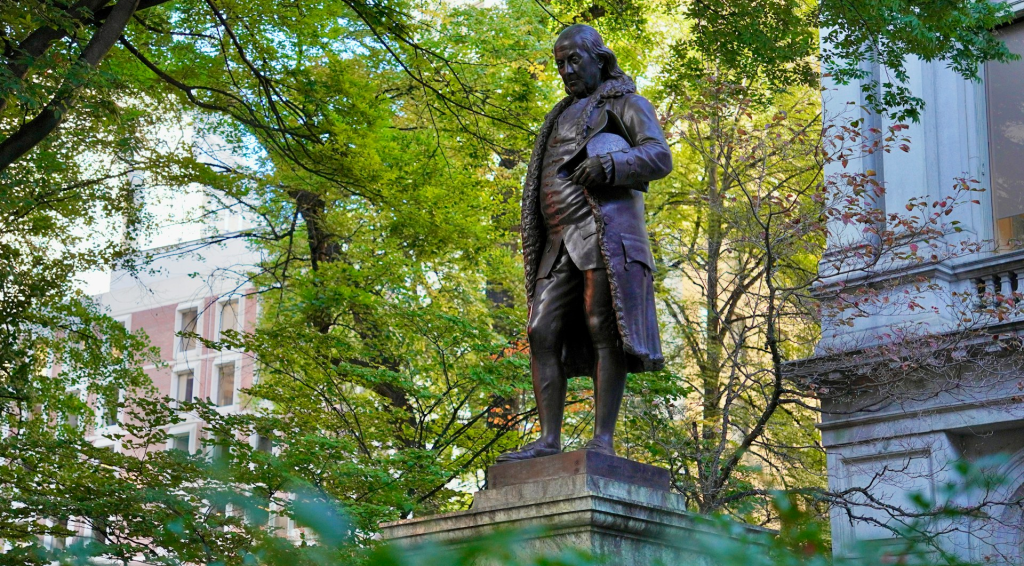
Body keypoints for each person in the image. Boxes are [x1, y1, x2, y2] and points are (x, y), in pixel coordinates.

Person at [498, 24, 672, 462]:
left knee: (602, 327)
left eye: (574, 60)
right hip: (558, 239)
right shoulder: (556, 117)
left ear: (600, 59)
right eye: (559, 63)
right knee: (541, 331)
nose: (566, 70)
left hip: (603, 236)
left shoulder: (627, 104)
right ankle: (548, 440)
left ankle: (603, 440)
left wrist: (611, 164)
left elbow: (659, 155)